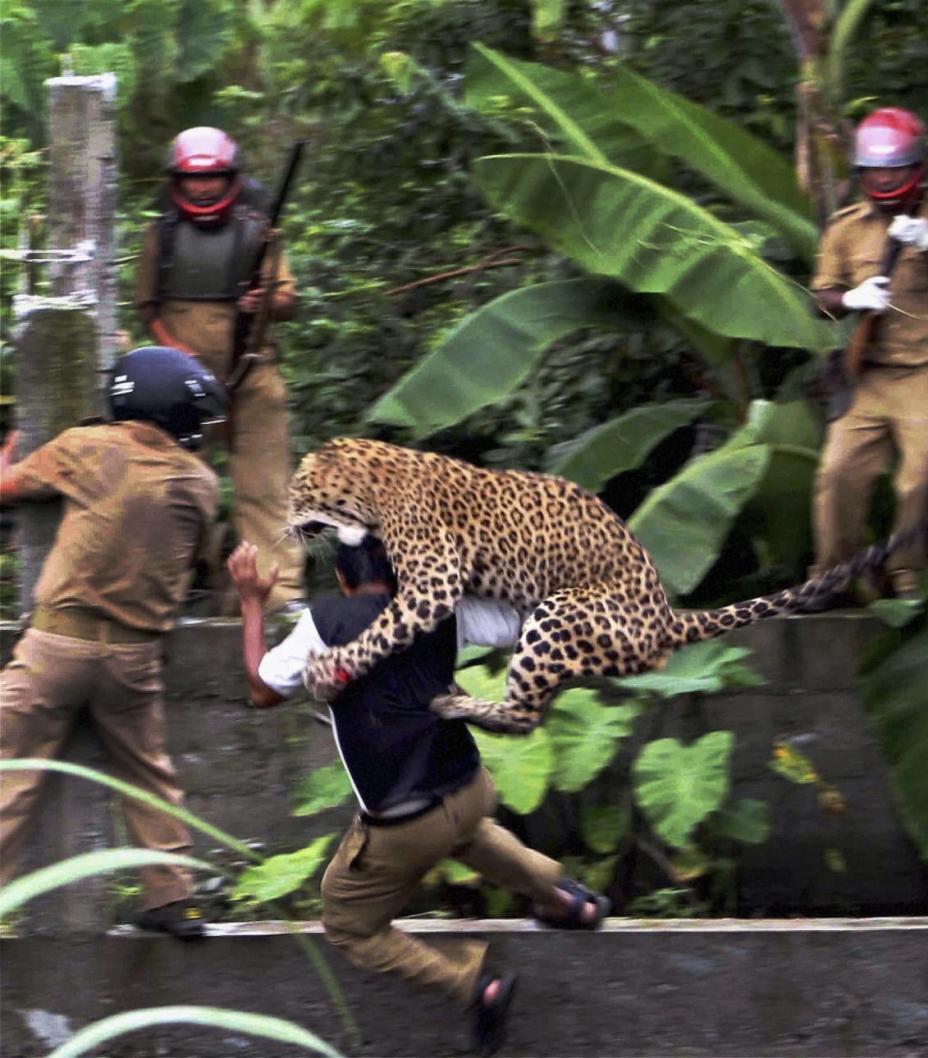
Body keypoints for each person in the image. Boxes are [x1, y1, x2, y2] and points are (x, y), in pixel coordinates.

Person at [227, 535, 610, 1056]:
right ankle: (566, 899)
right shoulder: (440, 606)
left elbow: (261, 688)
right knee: (464, 831)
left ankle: (478, 988)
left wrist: (251, 600)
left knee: (347, 923)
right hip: (470, 788)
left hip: (405, 822)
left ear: (342, 578)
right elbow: (520, 621)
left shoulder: (326, 623)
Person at [0, 346, 224, 939]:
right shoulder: (201, 484)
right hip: (135, 659)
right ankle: (171, 895)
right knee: (149, 773)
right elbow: (199, 561)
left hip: (56, 646)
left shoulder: (88, 447)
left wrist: (14, 443)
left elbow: (8, 485)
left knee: (9, 771)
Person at [134, 126, 304, 613]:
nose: (202, 188)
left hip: (253, 375)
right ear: (178, 181)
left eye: (212, 179)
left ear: (230, 178)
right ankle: (180, 588)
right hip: (180, 385)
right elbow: (148, 307)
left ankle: (279, 592)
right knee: (177, 488)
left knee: (265, 487)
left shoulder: (258, 231)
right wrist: (174, 352)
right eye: (192, 179)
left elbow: (289, 299)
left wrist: (264, 299)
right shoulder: (160, 236)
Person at [810, 106, 928, 599]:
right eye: (874, 169)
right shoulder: (846, 227)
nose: (884, 177)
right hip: (869, 374)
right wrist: (851, 299)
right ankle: (834, 574)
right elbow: (821, 302)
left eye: (894, 168)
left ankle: (905, 572)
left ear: (916, 167)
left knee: (922, 472)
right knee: (837, 472)